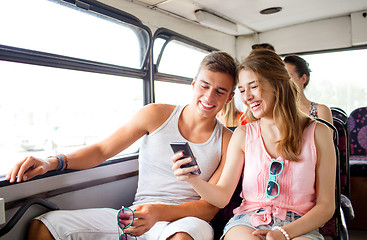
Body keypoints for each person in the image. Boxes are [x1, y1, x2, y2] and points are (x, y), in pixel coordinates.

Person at [6, 51, 238, 240]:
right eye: (205, 86)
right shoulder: (156, 115)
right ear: (194, 84)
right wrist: (51, 162)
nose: (209, 97)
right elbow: (102, 151)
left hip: (184, 223)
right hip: (137, 214)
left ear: (229, 98)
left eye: (220, 91)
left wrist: (159, 212)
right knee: (44, 226)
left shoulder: (228, 140)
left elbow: (209, 207)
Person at [172, 49, 336, 240]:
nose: (247, 97)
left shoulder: (319, 133)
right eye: (242, 90)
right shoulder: (242, 135)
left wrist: (283, 233)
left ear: (277, 84)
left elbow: (326, 206)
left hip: (300, 225)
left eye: (253, 87)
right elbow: (222, 196)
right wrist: (192, 179)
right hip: (248, 221)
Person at [284, 55, 333, 124]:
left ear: (303, 79)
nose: (282, 81)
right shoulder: (278, 111)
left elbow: (327, 134)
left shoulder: (321, 110)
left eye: (288, 77)